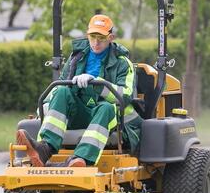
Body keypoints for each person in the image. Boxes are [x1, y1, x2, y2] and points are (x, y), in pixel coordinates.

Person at [17, 14, 142, 167]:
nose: (96, 42)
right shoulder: (77, 58)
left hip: (108, 118)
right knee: (62, 91)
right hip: (80, 112)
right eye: (92, 37)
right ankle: (45, 149)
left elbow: (125, 96)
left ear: (111, 37)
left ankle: (81, 159)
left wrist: (98, 84)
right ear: (87, 35)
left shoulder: (123, 64)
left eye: (101, 38)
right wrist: (47, 104)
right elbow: (61, 86)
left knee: (106, 107)